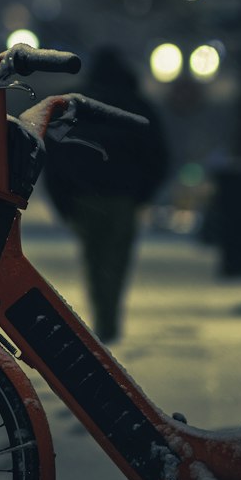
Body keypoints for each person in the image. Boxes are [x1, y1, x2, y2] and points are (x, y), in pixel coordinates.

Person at [43, 46, 170, 343]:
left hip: (83, 197)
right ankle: (109, 320)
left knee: (94, 259)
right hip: (122, 197)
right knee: (116, 261)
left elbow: (53, 158)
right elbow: (158, 156)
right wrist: (141, 193)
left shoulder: (73, 105)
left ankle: (103, 318)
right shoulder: (136, 105)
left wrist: (64, 201)